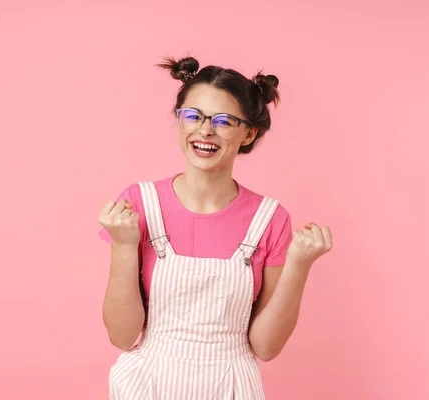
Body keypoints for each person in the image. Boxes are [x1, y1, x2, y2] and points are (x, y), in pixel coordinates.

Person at [97, 56, 332, 399]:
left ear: (249, 132)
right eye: (192, 115)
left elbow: (265, 348)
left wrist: (300, 264)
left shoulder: (269, 219)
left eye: (224, 121)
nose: (205, 130)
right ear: (178, 120)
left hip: (231, 386)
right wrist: (122, 246)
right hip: (148, 385)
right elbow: (121, 336)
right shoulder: (139, 203)